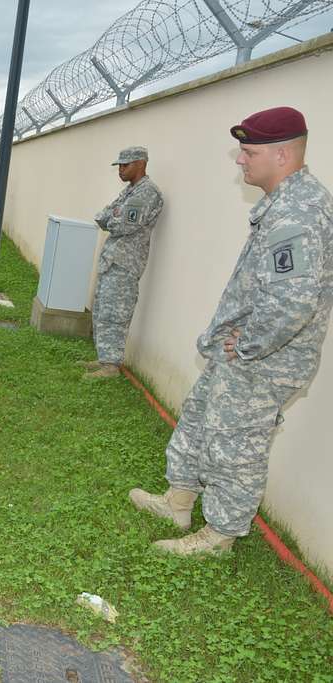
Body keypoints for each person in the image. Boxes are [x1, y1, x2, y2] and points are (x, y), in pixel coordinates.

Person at [130, 106, 333, 555]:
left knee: (236, 443)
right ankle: (179, 501)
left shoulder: (298, 212)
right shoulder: (282, 204)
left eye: (247, 152)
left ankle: (219, 534)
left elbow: (293, 302)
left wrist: (249, 345)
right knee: (202, 419)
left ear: (281, 154)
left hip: (267, 361)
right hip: (242, 353)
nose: (240, 161)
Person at [83, 146, 165, 379]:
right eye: (119, 165)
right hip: (113, 260)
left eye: (125, 165)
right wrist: (113, 217)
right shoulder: (130, 191)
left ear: (140, 164)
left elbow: (122, 225)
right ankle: (104, 358)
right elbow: (103, 215)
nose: (120, 169)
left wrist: (113, 218)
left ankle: (111, 365)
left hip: (125, 264)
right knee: (102, 310)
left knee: (116, 313)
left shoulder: (146, 193)